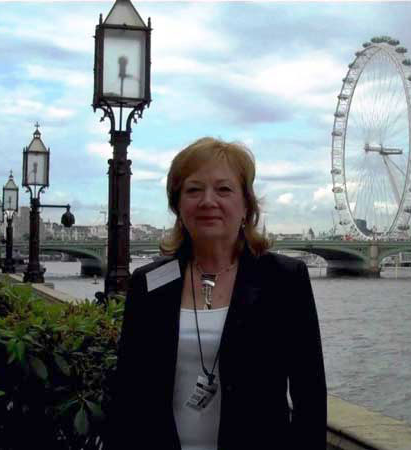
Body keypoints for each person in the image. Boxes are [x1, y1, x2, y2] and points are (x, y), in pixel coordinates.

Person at [106, 137, 326, 450]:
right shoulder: (149, 283)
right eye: (194, 190)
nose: (208, 201)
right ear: (178, 205)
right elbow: (128, 392)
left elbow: (310, 395)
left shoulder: (284, 280)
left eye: (224, 189)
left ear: (246, 204)